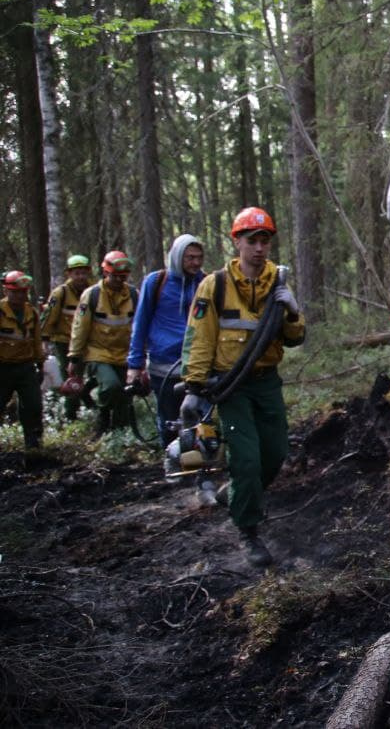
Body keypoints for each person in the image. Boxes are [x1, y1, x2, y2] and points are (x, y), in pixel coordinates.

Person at [182, 208, 304, 568]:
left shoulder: (278, 284)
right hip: (231, 385)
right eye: (252, 240)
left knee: (276, 451)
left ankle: (237, 494)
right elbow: (200, 337)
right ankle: (248, 531)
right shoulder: (215, 285)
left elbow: (295, 337)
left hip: (267, 383)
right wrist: (193, 386)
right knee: (247, 459)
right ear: (237, 242)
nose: (260, 248)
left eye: (265, 240)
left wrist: (293, 312)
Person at [127, 234, 206, 475]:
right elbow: (140, 323)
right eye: (189, 257)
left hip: (196, 364)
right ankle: (173, 465)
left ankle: (195, 466)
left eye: (198, 257)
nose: (195, 262)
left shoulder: (205, 283)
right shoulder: (156, 282)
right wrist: (134, 364)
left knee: (199, 416)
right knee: (169, 419)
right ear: (177, 256)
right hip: (163, 364)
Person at [67, 252, 137, 436]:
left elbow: (140, 325)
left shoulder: (133, 294)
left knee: (124, 394)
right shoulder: (92, 295)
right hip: (98, 352)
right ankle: (102, 416)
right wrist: (75, 357)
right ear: (105, 273)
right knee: (111, 386)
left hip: (124, 354)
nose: (119, 280)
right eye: (115, 276)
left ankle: (118, 434)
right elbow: (79, 327)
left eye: (123, 276)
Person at [41, 254, 93, 420]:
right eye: (76, 273)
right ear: (69, 274)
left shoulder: (94, 291)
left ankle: (87, 400)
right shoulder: (60, 294)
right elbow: (48, 319)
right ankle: (71, 416)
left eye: (83, 273)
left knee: (96, 376)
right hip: (64, 343)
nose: (80, 277)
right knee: (71, 379)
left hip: (89, 343)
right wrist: (44, 341)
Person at [0, 271, 44, 450]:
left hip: (26, 367)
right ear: (6, 291)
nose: (19, 296)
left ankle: (33, 443)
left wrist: (40, 363)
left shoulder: (31, 312)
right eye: (15, 292)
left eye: (23, 292)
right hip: (3, 367)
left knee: (33, 405)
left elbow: (36, 340)